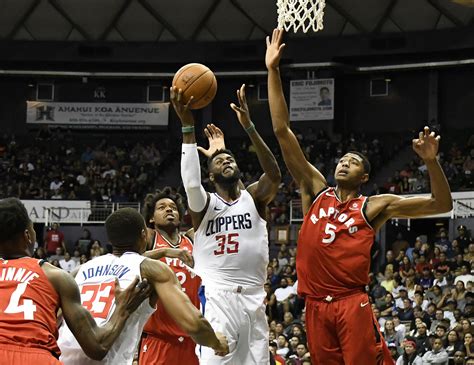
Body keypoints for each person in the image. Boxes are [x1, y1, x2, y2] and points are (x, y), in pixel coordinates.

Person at [266, 28, 453, 365]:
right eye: (342, 159)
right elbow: (282, 131)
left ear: (364, 176)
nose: (344, 162)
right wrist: (273, 71)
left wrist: (430, 162)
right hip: (314, 305)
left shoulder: (373, 205)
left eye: (352, 162)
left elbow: (442, 204)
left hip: (351, 302)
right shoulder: (315, 191)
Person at [173, 80, 281, 365]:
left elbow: (274, 175)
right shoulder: (205, 205)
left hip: (255, 300)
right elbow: (191, 182)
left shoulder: (254, 198)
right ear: (211, 175)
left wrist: (249, 127)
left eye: (230, 158)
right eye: (219, 162)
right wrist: (188, 128)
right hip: (218, 298)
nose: (226, 161)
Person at [58, 208, 228, 364]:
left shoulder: (79, 270)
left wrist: (163, 251)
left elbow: (54, 319)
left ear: (110, 239)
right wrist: (216, 342)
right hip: (105, 357)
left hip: (62, 357)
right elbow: (194, 324)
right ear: (144, 234)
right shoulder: (151, 270)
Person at [0, 198, 150, 364]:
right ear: (28, 236)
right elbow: (97, 347)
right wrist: (123, 309)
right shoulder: (55, 276)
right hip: (35, 356)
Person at [139, 187, 201, 365]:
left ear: (180, 216)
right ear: (151, 218)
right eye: (162, 207)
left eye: (173, 207)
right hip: (159, 338)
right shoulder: (150, 238)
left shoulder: (191, 239)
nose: (169, 210)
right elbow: (128, 261)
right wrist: (166, 251)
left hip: (193, 339)